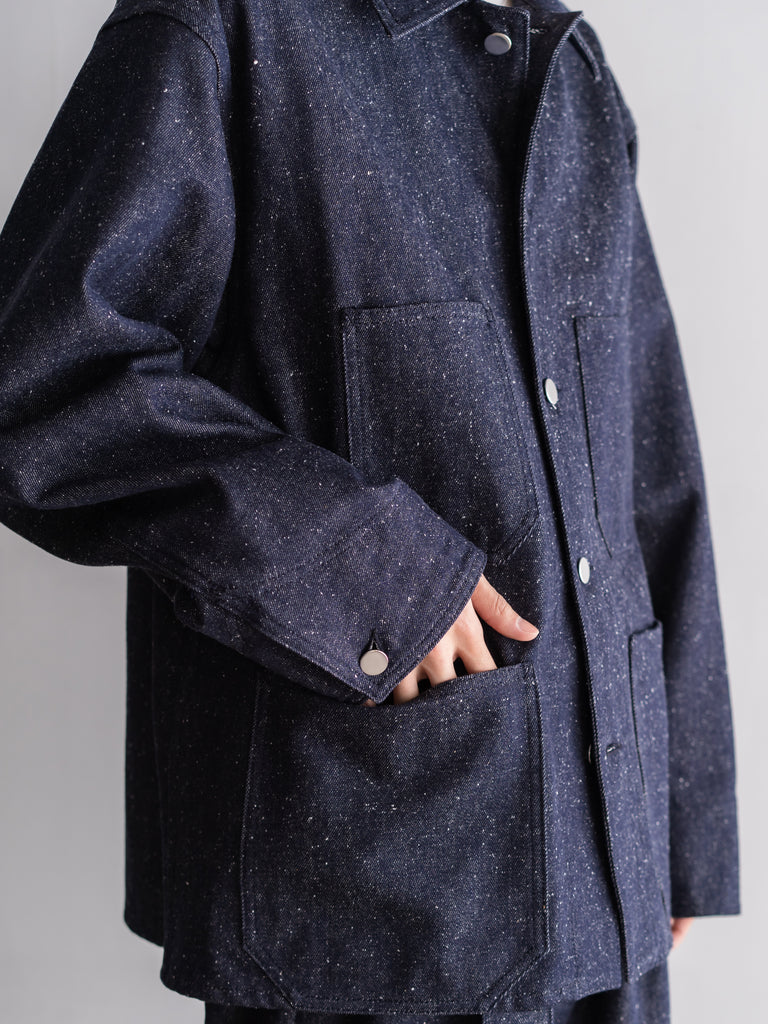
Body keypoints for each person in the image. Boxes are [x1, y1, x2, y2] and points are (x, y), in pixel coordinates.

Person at [0, 1, 740, 1023]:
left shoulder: (568, 63)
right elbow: (43, 379)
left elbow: (648, 454)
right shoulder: (225, 26)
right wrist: (372, 575)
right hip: (363, 885)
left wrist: (680, 824)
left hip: (609, 861)